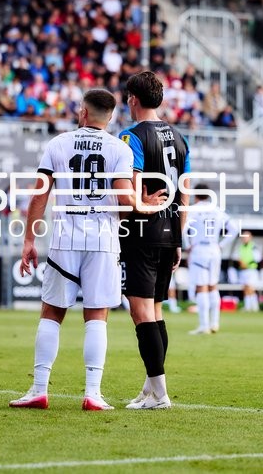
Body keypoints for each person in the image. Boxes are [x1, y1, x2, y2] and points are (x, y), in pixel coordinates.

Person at [9, 88, 164, 411]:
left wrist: (28, 240)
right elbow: (124, 198)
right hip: (103, 241)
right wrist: (144, 205)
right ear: (110, 117)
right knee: (97, 316)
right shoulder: (118, 149)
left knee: (52, 312)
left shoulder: (58, 144)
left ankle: (39, 389)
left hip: (65, 238)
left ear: (82, 112)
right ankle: (92, 394)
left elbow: (40, 195)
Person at [118, 70, 191, 410]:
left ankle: (161, 394)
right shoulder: (179, 138)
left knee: (140, 311)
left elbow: (130, 193)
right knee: (156, 311)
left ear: (133, 98)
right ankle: (150, 389)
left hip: (141, 231)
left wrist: (138, 205)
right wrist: (180, 238)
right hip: (171, 231)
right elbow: (186, 194)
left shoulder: (131, 137)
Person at [185, 184, 236, 334]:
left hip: (199, 249)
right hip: (214, 249)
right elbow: (234, 229)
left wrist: (188, 245)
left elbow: (183, 228)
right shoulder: (217, 210)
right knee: (213, 286)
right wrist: (222, 244)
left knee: (201, 287)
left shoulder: (193, 210)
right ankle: (215, 323)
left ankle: (204, 325)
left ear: (196, 195)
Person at [238, 232, 261, 311]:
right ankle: (247, 306)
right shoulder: (241, 247)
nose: (244, 238)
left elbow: (257, 258)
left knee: (250, 288)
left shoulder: (253, 246)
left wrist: (247, 264)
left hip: (251, 270)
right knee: (245, 289)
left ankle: (254, 307)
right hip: (243, 270)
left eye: (246, 237)